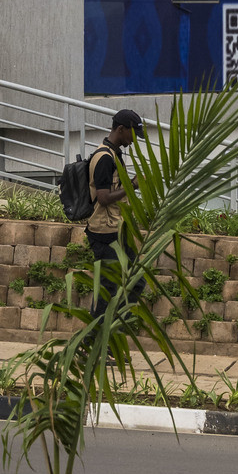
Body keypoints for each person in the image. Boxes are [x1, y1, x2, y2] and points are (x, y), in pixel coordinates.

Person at [84, 108, 144, 317]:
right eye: (133, 135)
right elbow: (103, 197)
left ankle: (112, 330)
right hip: (104, 233)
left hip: (116, 230)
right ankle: (95, 340)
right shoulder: (104, 158)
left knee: (136, 282)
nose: (134, 141)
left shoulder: (113, 154)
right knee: (107, 290)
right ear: (121, 129)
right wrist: (133, 186)